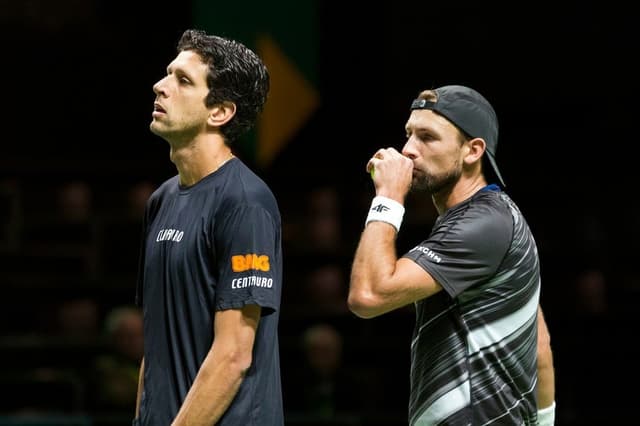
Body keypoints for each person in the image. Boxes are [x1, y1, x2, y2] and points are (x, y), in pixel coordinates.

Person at [347, 85, 556, 425]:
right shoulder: (491, 217)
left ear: (473, 151)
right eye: (409, 135)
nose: (408, 150)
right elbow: (539, 341)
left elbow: (368, 295)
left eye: (427, 137)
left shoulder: (484, 224)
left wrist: (387, 198)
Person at [133, 29, 283, 425]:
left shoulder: (245, 202)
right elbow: (157, 344)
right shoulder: (161, 200)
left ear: (220, 112)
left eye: (183, 80)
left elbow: (233, 355)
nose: (160, 86)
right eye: (168, 73)